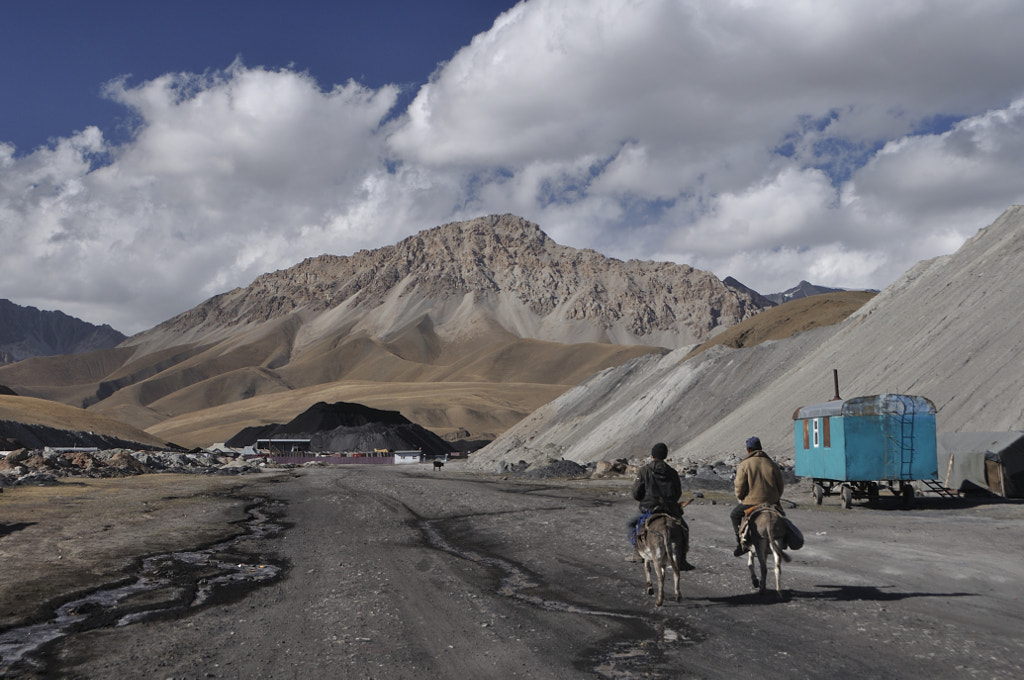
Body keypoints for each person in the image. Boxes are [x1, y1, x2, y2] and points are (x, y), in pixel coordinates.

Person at [627, 443, 693, 569]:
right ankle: (682, 559)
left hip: (649, 508)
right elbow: (678, 492)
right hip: (669, 509)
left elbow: (636, 493)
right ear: (665, 456)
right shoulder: (672, 472)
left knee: (631, 524)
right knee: (684, 528)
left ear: (652, 456)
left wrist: (643, 499)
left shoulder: (644, 470)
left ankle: (637, 552)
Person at [730, 436, 784, 557]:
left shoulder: (744, 464)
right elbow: (780, 485)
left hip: (751, 502)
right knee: (782, 517)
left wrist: (741, 497)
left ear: (748, 449)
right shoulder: (772, 464)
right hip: (772, 501)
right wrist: (775, 498)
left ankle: (741, 544)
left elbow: (739, 486)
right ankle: (785, 540)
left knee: (734, 515)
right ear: (760, 448)